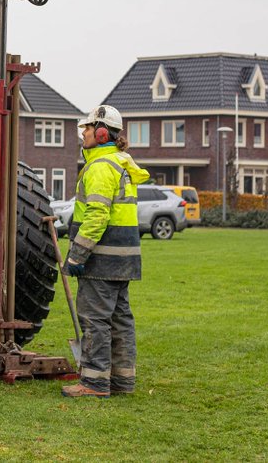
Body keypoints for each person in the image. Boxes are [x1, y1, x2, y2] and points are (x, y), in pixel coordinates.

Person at [60, 105, 150, 398]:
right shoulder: (121, 165)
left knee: (95, 319)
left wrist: (77, 255)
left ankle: (94, 382)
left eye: (87, 128)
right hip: (124, 259)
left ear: (101, 133)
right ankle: (123, 381)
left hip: (101, 258)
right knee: (121, 320)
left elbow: (97, 216)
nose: (83, 134)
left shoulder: (100, 167)